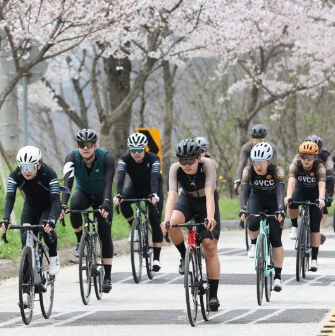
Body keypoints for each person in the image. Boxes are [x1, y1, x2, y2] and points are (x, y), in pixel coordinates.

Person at [162, 138, 222, 311]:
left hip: (206, 202)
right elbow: (172, 195)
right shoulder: (175, 168)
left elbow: (210, 194)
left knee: (209, 246)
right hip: (187, 200)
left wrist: (210, 217)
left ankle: (213, 295)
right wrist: (166, 220)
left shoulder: (208, 165)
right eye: (182, 161)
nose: (186, 165)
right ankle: (184, 255)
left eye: (190, 161)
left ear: (198, 158)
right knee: (173, 224)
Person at [0, 145, 62, 299]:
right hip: (30, 208)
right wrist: (5, 219)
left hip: (48, 207)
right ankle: (26, 290)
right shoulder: (15, 175)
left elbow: (56, 201)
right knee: (25, 242)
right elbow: (10, 198)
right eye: (23, 167)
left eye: (30, 167)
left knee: (45, 230)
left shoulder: (49, 174)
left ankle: (53, 256)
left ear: (38, 165)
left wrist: (52, 220)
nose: (26, 171)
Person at [61, 128, 116, 293]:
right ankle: (80, 240)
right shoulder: (71, 158)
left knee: (105, 233)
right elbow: (68, 182)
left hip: (102, 195)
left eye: (89, 144)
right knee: (74, 206)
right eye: (81, 144)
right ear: (77, 146)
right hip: (83, 193)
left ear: (95, 145)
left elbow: (108, 183)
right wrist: (63, 204)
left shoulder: (107, 158)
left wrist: (106, 203)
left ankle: (107, 277)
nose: (85, 148)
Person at [239, 142, 286, 292]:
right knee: (252, 223)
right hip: (257, 198)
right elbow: (244, 190)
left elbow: (280, 191)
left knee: (276, 238)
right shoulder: (248, 170)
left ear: (269, 161)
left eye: (262, 162)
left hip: (274, 201)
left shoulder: (277, 170)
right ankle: (254, 244)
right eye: (255, 162)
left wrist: (280, 210)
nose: (258, 166)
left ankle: (277, 277)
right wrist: (243, 209)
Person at [114, 132, 164, 272]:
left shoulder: (153, 158)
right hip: (136, 187)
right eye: (133, 150)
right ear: (129, 149)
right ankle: (135, 228)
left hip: (153, 188)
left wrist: (154, 194)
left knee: (154, 219)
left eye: (139, 150)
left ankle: (156, 258)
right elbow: (120, 176)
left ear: (145, 148)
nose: (136, 153)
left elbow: (154, 176)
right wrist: (118, 194)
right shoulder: (124, 159)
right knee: (124, 202)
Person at [285, 141, 326, 271]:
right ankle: (294, 226)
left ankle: (314, 259)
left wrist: (321, 199)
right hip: (301, 190)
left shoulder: (320, 167)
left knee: (315, 226)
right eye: (303, 156)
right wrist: (288, 196)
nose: (306, 160)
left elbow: (322, 185)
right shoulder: (295, 164)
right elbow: (291, 182)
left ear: (315, 157)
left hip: (315, 193)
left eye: (309, 157)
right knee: (292, 202)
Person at [306, 134, 335, 238]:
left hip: (321, 181)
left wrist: (329, 196)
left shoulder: (326, 156)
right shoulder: (301, 155)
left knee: (322, 204)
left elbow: (330, 177)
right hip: (306, 181)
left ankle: (321, 229)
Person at [234, 124, 267, 194]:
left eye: (260, 140)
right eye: (255, 140)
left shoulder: (272, 148)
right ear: (251, 139)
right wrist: (238, 180)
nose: (258, 143)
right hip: (253, 172)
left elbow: (273, 165)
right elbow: (242, 164)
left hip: (267, 173)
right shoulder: (246, 147)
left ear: (265, 139)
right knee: (245, 188)